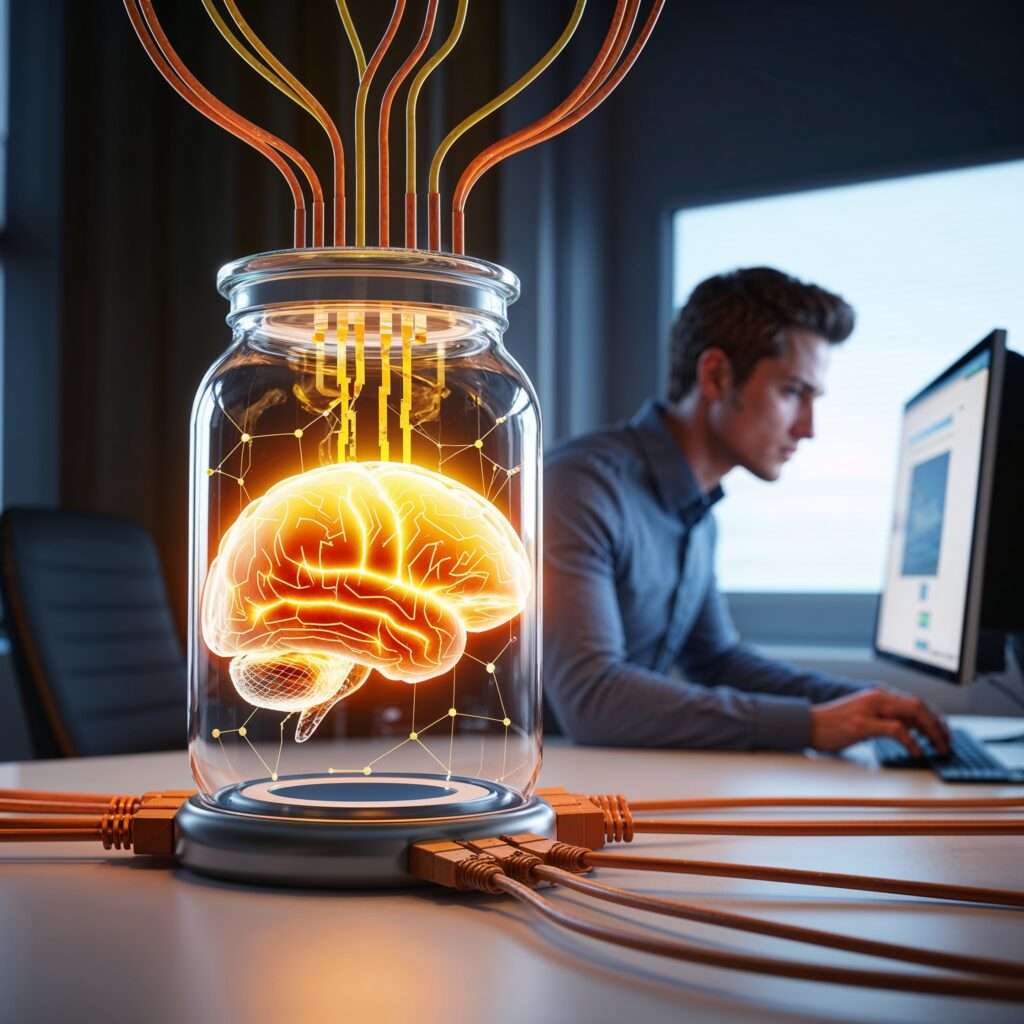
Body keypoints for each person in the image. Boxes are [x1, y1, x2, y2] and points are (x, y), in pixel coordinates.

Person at [543, 267, 948, 755]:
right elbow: (594, 699)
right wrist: (811, 726)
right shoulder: (579, 486)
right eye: (792, 392)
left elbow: (716, 659)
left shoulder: (698, 514)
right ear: (716, 375)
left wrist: (858, 704)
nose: (808, 428)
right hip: (491, 778)